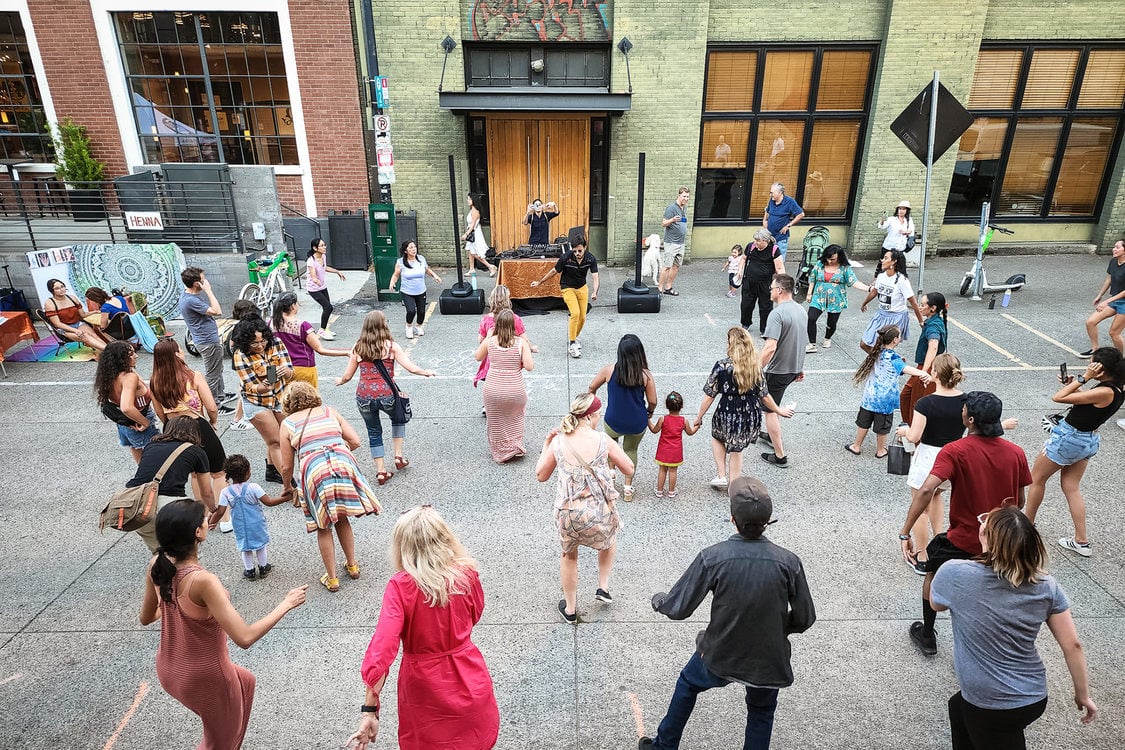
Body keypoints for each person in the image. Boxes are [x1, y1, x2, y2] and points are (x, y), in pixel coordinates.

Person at [639, 477, 816, 750]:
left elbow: (679, 608)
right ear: (767, 522)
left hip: (720, 653)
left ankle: (664, 746)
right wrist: (779, 627)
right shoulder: (789, 562)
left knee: (688, 684)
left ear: (733, 519)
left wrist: (660, 600)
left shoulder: (714, 557)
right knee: (761, 712)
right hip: (768, 659)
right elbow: (805, 618)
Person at [140, 499, 307, 750]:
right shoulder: (203, 581)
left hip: (169, 668)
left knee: (246, 681)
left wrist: (176, 609)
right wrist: (286, 603)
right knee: (218, 744)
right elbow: (245, 637)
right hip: (204, 677)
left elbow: (146, 616)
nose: (209, 521)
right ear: (198, 533)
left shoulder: (157, 563)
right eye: (205, 519)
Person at [929, 507, 1098, 748]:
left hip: (992, 703)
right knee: (958, 709)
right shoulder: (1046, 585)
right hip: (1033, 695)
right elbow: (1073, 645)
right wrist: (1083, 695)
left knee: (989, 728)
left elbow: (936, 605)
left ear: (984, 535)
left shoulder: (955, 572)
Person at [347, 506, 499, 750]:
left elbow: (382, 649)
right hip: (469, 677)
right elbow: (475, 614)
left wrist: (369, 710)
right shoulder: (467, 575)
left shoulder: (400, 586)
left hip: (425, 691)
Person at [899, 391, 1033, 656]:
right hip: (999, 539)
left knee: (933, 575)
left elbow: (926, 490)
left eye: (964, 410)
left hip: (963, 537)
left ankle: (928, 635)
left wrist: (905, 532)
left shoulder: (955, 450)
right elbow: (1019, 500)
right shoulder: (1016, 453)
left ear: (970, 420)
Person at [534, 393, 634, 623]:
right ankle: (603, 586)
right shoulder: (603, 440)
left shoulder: (559, 440)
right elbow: (628, 468)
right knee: (608, 541)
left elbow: (541, 475)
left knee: (569, 555)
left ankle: (570, 609)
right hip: (599, 511)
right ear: (589, 416)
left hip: (568, 513)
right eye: (598, 415)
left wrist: (545, 446)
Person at [279, 382, 382, 593]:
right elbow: (355, 440)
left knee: (323, 525)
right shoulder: (329, 411)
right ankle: (352, 566)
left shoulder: (288, 423)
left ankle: (333, 579)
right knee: (341, 517)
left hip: (315, 470)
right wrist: (338, 450)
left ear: (288, 401)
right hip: (341, 463)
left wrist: (288, 486)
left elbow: (286, 465)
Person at [1024, 347, 1124, 558]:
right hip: (1087, 441)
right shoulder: (1116, 388)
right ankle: (1081, 540)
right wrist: (1073, 384)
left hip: (1070, 439)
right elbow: (1087, 400)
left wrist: (1083, 379)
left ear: (1101, 369)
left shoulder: (1104, 390)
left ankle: (1026, 528)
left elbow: (1057, 398)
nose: (1089, 366)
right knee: (1071, 486)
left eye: (1092, 364)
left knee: (1036, 480)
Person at [335, 309, 435, 485]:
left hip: (364, 395)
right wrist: (425, 373)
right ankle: (398, 456)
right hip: (386, 394)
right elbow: (410, 367)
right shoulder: (391, 346)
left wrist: (340, 381)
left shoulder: (358, 347)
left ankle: (381, 471)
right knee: (398, 419)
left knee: (374, 431)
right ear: (383, 325)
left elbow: (348, 375)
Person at [695, 327, 793, 489]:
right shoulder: (755, 367)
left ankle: (721, 476)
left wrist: (699, 417)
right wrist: (778, 410)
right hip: (749, 413)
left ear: (730, 344)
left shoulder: (722, 366)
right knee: (737, 448)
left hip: (726, 410)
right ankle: (734, 484)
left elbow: (709, 395)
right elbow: (765, 395)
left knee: (718, 437)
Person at [895, 354, 966, 575]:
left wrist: (903, 430)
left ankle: (924, 555)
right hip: (953, 457)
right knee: (936, 496)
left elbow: (915, 436)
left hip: (928, 457)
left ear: (935, 373)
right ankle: (940, 540)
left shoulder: (926, 403)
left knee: (919, 506)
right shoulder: (966, 400)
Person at [149, 337, 228, 522]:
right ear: (176, 354)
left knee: (195, 473)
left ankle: (201, 515)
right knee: (218, 472)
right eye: (180, 350)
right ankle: (224, 518)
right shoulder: (193, 376)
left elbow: (160, 412)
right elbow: (212, 407)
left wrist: (169, 424)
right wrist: (213, 422)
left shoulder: (154, 381)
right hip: (198, 425)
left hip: (172, 428)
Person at [125, 417, 217, 552]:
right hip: (168, 506)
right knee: (185, 553)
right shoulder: (196, 451)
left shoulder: (151, 445)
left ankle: (162, 570)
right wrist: (214, 510)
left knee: (160, 553)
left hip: (136, 504)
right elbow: (206, 492)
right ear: (195, 433)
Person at [588, 334, 657, 499]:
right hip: (637, 422)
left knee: (612, 446)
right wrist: (649, 411)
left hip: (613, 420)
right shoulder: (645, 375)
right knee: (630, 449)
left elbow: (591, 388)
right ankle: (627, 487)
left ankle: (611, 473)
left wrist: (593, 403)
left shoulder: (609, 370)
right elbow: (653, 401)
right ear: (640, 353)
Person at [846, 325, 930, 458]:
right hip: (885, 400)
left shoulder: (877, 352)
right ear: (895, 340)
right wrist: (922, 373)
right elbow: (905, 369)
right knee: (882, 426)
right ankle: (881, 450)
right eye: (899, 336)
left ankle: (856, 445)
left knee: (863, 422)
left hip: (870, 397)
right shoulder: (893, 357)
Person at [231, 316, 294, 486]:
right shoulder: (240, 355)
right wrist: (263, 387)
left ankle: (272, 470)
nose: (260, 346)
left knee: (288, 438)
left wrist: (285, 371)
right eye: (254, 343)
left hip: (280, 397)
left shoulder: (276, 343)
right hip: (256, 401)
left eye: (263, 340)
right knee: (276, 441)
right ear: (245, 342)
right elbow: (250, 386)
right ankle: (291, 486)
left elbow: (291, 371)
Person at [207, 454, 288, 580]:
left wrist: (212, 522)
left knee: (245, 547)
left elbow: (221, 511)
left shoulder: (226, 492)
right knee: (260, 545)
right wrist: (286, 498)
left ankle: (249, 570)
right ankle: (263, 567)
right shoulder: (253, 487)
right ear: (247, 473)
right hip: (256, 522)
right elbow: (269, 502)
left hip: (240, 525)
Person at [473, 309, 534, 462]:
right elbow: (529, 366)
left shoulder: (490, 342)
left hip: (493, 388)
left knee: (495, 421)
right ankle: (514, 447)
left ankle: (500, 452)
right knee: (515, 418)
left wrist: (488, 336)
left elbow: (478, 357)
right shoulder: (521, 343)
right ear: (513, 326)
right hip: (515, 388)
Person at [760, 274, 806, 468]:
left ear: (779, 290)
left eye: (772, 287)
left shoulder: (776, 314)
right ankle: (771, 435)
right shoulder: (801, 310)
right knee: (774, 403)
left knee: (769, 409)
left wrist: (754, 368)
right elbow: (801, 340)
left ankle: (780, 455)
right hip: (792, 367)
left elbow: (770, 347)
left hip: (778, 370)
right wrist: (799, 367)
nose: (770, 290)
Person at [530, 237, 599, 359]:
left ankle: (575, 337)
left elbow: (595, 277)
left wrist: (594, 291)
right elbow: (553, 271)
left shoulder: (591, 258)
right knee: (575, 313)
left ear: (585, 248)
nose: (577, 254)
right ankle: (572, 344)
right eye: (575, 251)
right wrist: (540, 282)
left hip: (582, 288)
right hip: (567, 287)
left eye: (579, 251)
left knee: (583, 317)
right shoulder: (565, 257)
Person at [93, 341, 159, 463]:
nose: (136, 355)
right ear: (121, 358)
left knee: (138, 452)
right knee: (157, 460)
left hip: (125, 424)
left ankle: (144, 480)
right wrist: (145, 423)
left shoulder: (110, 374)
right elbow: (127, 407)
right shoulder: (129, 378)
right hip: (138, 421)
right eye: (131, 354)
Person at [270, 292, 350, 388]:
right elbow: (321, 350)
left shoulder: (271, 323)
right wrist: (346, 353)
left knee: (285, 399)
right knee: (308, 400)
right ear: (292, 306)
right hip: (302, 369)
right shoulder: (303, 325)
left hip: (280, 368)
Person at [177, 267, 231, 410]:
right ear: (197, 284)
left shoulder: (188, 296)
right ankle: (214, 403)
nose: (206, 281)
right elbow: (217, 311)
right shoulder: (191, 300)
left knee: (218, 368)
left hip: (206, 339)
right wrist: (208, 290)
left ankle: (221, 395)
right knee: (212, 373)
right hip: (207, 341)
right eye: (203, 280)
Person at [805, 244, 869, 353]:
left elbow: (854, 282)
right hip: (818, 296)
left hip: (836, 299)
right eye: (828, 258)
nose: (829, 261)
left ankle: (827, 337)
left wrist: (869, 288)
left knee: (831, 322)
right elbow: (812, 278)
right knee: (811, 318)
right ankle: (812, 344)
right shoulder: (820, 264)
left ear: (839, 257)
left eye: (833, 259)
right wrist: (809, 293)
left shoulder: (844, 268)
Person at [474, 285, 537, 395]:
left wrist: (488, 339)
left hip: (493, 357)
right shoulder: (515, 319)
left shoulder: (487, 319)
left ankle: (490, 401)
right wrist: (531, 348)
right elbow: (524, 339)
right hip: (511, 355)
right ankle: (511, 396)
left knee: (492, 377)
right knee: (511, 375)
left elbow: (480, 339)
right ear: (507, 300)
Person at [859, 249, 924, 352]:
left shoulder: (902, 280)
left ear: (894, 261)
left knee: (883, 347)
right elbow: (875, 291)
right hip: (881, 314)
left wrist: (921, 321)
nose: (882, 260)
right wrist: (864, 303)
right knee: (864, 344)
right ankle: (884, 361)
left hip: (896, 317)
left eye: (886, 258)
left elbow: (914, 303)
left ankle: (885, 362)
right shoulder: (881, 276)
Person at [899, 292, 948, 425]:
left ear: (932, 308)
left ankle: (915, 434)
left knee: (917, 402)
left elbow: (933, 346)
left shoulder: (933, 326)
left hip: (928, 367)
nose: (920, 308)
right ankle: (908, 425)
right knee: (906, 395)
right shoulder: (933, 321)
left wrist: (924, 372)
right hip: (924, 366)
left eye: (922, 305)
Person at [389, 240, 443, 340]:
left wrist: (435, 276)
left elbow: (427, 270)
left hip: (421, 290)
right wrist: (392, 282)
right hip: (407, 291)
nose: (413, 249)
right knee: (411, 311)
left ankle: (418, 326)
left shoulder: (421, 259)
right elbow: (396, 275)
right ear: (406, 251)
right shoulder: (400, 262)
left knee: (422, 312)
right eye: (410, 248)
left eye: (414, 247)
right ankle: (409, 327)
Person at [648, 391, 699, 498]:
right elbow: (690, 432)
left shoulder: (663, 419)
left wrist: (647, 420)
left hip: (663, 450)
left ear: (666, 406)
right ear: (682, 406)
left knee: (662, 469)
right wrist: (697, 427)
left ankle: (659, 491)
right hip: (675, 451)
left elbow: (654, 430)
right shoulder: (683, 421)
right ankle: (671, 491)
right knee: (673, 470)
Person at [1080, 238, 1125, 356]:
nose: (1114, 249)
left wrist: (1106, 301)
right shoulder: (1114, 261)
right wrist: (1100, 295)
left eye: (1117, 247)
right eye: (1114, 247)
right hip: (1115, 299)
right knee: (1091, 322)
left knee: (1114, 333)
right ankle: (1095, 350)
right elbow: (1109, 278)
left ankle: (1120, 359)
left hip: (1123, 303)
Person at [737, 230, 785, 335]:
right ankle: (745, 323)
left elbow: (780, 268)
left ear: (766, 241)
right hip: (749, 282)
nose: (756, 242)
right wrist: (739, 270)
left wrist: (781, 283)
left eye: (758, 241)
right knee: (746, 305)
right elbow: (743, 258)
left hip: (766, 283)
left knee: (765, 307)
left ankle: (765, 329)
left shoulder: (774, 250)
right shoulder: (751, 246)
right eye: (755, 240)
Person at [43, 278, 108, 353]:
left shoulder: (72, 298)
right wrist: (75, 330)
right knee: (85, 336)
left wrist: (95, 312)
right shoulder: (49, 303)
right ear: (52, 291)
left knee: (94, 335)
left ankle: (109, 349)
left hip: (78, 324)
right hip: (64, 329)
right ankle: (109, 351)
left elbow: (83, 315)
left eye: (62, 286)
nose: (61, 289)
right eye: (57, 288)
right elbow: (57, 324)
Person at [306, 238, 346, 340]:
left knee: (326, 308)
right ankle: (322, 330)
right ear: (315, 248)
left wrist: (337, 271)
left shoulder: (323, 256)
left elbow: (325, 268)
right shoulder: (311, 261)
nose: (324, 247)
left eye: (325, 245)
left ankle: (325, 329)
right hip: (314, 289)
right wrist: (316, 281)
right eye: (322, 246)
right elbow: (313, 276)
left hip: (323, 287)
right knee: (328, 307)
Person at [659, 187, 690, 296]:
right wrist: (672, 220)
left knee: (676, 266)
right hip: (671, 242)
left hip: (681, 243)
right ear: (679, 195)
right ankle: (659, 289)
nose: (686, 199)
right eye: (684, 196)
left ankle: (668, 287)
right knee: (667, 266)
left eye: (687, 197)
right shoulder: (671, 208)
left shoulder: (684, 208)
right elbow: (663, 223)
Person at [762, 182, 804, 261]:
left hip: (780, 237)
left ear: (780, 193)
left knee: (779, 260)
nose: (770, 195)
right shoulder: (772, 200)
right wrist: (765, 222)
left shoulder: (789, 201)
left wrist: (788, 226)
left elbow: (801, 214)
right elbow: (767, 212)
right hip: (769, 236)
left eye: (772, 193)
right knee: (768, 259)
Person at [461, 192, 496, 277]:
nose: (468, 201)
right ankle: (472, 269)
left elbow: (472, 225)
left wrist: (466, 234)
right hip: (473, 232)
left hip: (474, 233)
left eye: (469, 199)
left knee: (475, 252)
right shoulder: (473, 210)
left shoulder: (475, 211)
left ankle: (490, 266)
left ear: (474, 200)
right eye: (468, 199)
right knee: (469, 250)